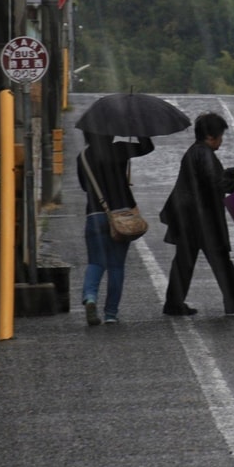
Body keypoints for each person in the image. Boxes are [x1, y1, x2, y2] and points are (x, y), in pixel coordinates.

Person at [160, 112, 234, 316]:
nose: (221, 141)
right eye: (220, 136)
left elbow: (211, 176)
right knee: (219, 258)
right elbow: (216, 182)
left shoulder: (196, 151)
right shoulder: (204, 154)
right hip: (201, 219)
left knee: (184, 262)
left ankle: (174, 304)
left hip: (188, 217)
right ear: (211, 136)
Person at [78, 132, 154, 326]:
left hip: (95, 214)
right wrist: (137, 128)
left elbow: (85, 187)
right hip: (121, 215)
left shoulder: (83, 157)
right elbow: (147, 147)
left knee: (95, 262)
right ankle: (111, 314)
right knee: (116, 265)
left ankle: (90, 297)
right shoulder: (120, 149)